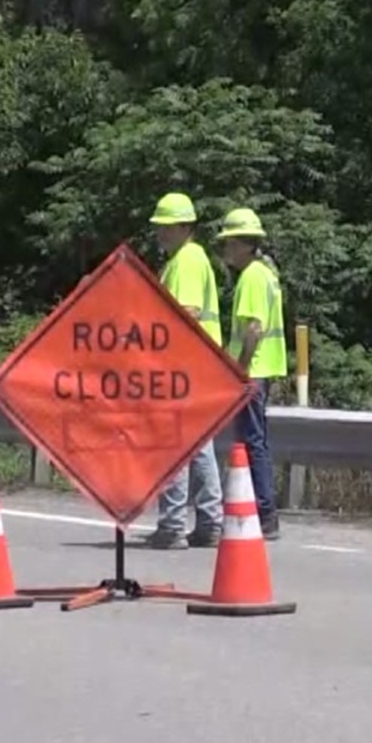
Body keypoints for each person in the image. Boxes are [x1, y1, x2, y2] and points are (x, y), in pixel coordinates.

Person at [144, 191, 224, 550]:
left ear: (182, 227)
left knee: (173, 443)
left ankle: (173, 524)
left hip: (183, 365)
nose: (159, 233)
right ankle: (209, 522)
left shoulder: (187, 260)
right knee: (197, 444)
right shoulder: (188, 258)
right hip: (197, 364)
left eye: (164, 227)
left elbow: (185, 313)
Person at [217, 207, 286, 539]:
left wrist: (240, 370)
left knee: (251, 443)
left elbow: (254, 329)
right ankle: (262, 511)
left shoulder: (252, 278)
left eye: (230, 243)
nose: (226, 249)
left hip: (252, 372)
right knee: (254, 441)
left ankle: (263, 513)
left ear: (246, 245)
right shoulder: (266, 274)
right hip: (262, 370)